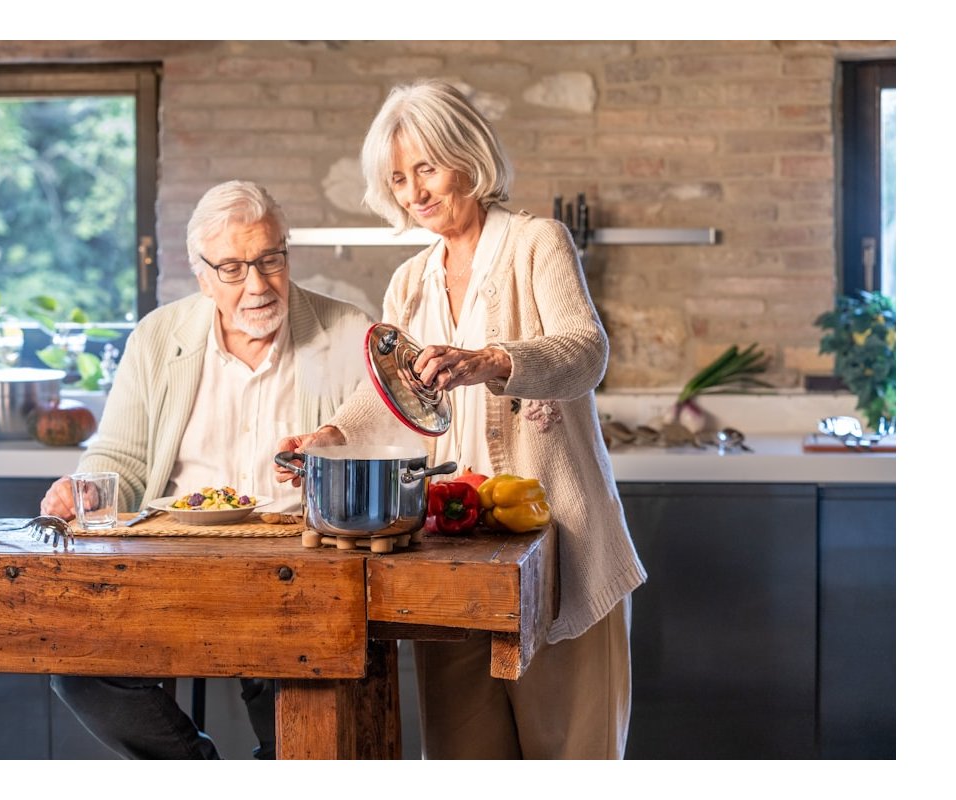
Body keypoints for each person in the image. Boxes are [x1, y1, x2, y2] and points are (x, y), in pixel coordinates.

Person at [275, 80, 647, 759]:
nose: (413, 191)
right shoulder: (410, 281)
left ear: (467, 157)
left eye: (425, 167)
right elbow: (392, 402)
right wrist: (331, 437)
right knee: (461, 759)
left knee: (572, 760)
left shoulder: (538, 242)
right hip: (452, 559)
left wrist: (489, 360)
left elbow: (585, 352)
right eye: (397, 178)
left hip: (556, 551)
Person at [41, 179, 372, 759]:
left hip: (295, 570)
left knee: (299, 699)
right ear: (201, 275)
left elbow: (382, 442)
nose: (258, 284)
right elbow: (119, 455)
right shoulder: (157, 337)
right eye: (233, 268)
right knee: (80, 668)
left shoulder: (347, 332)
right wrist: (84, 488)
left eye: (270, 259)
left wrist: (334, 453)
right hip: (170, 568)